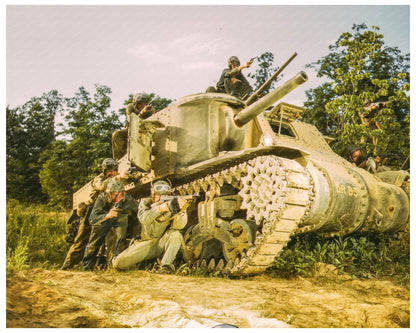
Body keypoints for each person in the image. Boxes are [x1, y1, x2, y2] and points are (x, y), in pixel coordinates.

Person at [112, 179, 193, 273]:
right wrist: (160, 208)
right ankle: (140, 265)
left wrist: (180, 211)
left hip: (161, 243)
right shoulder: (145, 203)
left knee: (176, 234)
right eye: (159, 195)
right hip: (145, 243)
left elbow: (180, 226)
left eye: (165, 195)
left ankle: (165, 266)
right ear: (153, 194)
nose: (162, 198)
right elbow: (144, 219)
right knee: (118, 264)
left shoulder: (173, 204)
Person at [60, 158, 120, 270]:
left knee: (110, 239)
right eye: (109, 171)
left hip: (105, 211)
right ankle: (65, 268)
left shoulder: (116, 179)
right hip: (91, 210)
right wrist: (117, 178)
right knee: (81, 242)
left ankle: (110, 267)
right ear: (105, 171)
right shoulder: (98, 179)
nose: (112, 173)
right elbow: (102, 186)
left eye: (114, 170)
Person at [82, 179, 139, 271]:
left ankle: (115, 266)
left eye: (121, 194)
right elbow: (92, 219)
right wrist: (107, 216)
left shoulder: (128, 199)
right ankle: (86, 268)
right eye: (115, 195)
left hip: (119, 217)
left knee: (120, 239)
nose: (118, 198)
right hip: (103, 219)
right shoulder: (101, 198)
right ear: (109, 194)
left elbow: (139, 210)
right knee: (94, 243)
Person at [112, 93, 154, 160]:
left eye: (145, 103)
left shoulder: (150, 110)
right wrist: (141, 113)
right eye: (140, 104)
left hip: (144, 130)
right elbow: (132, 121)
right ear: (136, 104)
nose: (143, 106)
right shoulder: (130, 108)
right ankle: (120, 159)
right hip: (132, 129)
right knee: (117, 134)